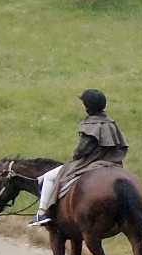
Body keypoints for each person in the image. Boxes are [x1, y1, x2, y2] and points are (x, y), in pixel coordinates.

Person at [30, 89, 128, 227]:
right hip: (113, 162)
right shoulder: (111, 123)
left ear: (88, 107)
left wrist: (75, 154)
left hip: (89, 163)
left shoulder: (91, 125)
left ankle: (42, 212)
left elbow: (80, 151)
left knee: (49, 177)